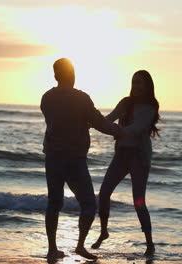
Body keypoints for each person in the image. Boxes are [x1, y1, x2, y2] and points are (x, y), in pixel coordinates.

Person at [41, 58, 126, 260]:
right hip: (74, 160)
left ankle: (52, 249)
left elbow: (58, 121)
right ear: (73, 74)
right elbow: (100, 123)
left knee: (54, 203)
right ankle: (79, 246)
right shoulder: (81, 98)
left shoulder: (46, 98)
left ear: (55, 75)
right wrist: (122, 132)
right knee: (88, 204)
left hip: (52, 157)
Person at [92, 70, 160, 256]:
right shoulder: (125, 102)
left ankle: (149, 243)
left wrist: (115, 130)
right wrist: (92, 121)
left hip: (139, 157)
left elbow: (136, 129)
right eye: (134, 82)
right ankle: (104, 231)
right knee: (104, 193)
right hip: (121, 155)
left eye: (140, 83)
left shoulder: (151, 107)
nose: (136, 86)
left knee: (139, 202)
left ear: (147, 85)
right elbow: (109, 119)